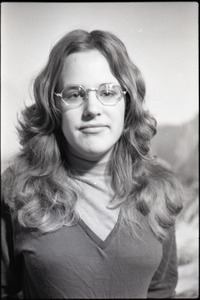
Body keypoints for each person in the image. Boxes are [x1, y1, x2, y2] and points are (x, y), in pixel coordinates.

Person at [1, 29, 183, 299]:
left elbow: (161, 290)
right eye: (75, 94)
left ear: (127, 102)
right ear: (54, 107)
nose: (92, 108)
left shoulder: (158, 190)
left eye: (108, 92)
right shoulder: (17, 190)